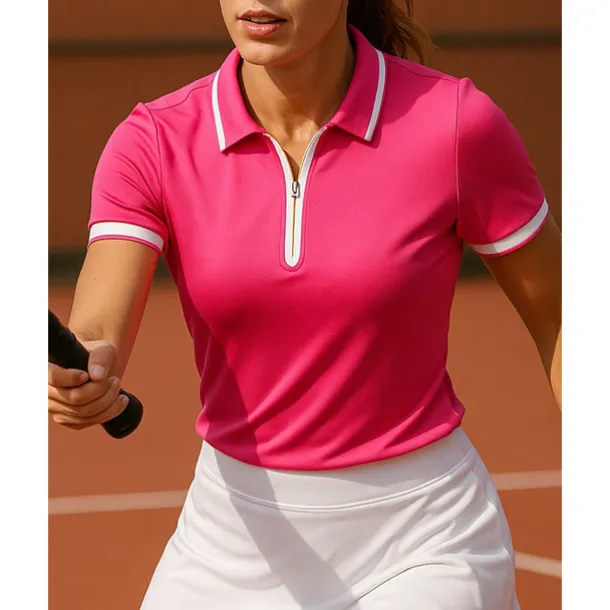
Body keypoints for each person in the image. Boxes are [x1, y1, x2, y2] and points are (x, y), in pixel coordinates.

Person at [47, 0, 562, 608]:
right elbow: (98, 329)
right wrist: (89, 368)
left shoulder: (456, 122)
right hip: (228, 539)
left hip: (425, 536)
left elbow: (564, 320)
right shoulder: (154, 140)